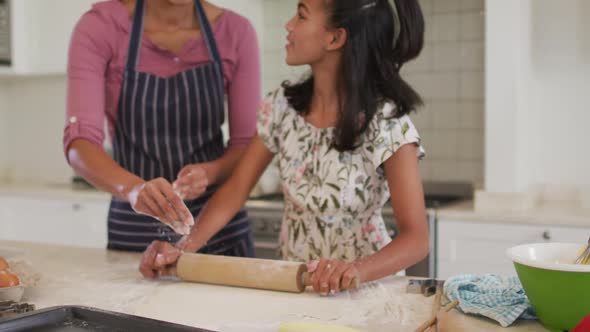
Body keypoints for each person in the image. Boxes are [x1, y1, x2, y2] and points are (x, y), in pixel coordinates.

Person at [140, 0, 429, 296]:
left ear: (335, 38)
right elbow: (235, 190)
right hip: (296, 287)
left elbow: (416, 238)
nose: (289, 25)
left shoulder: (387, 121)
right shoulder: (281, 107)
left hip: (365, 292)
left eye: (301, 16)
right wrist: (182, 250)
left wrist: (354, 270)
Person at [63, 0, 260, 256]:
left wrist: (210, 173)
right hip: (134, 237)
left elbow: (247, 145)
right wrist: (134, 190)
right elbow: (80, 144)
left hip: (220, 235)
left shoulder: (236, 32)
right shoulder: (101, 28)